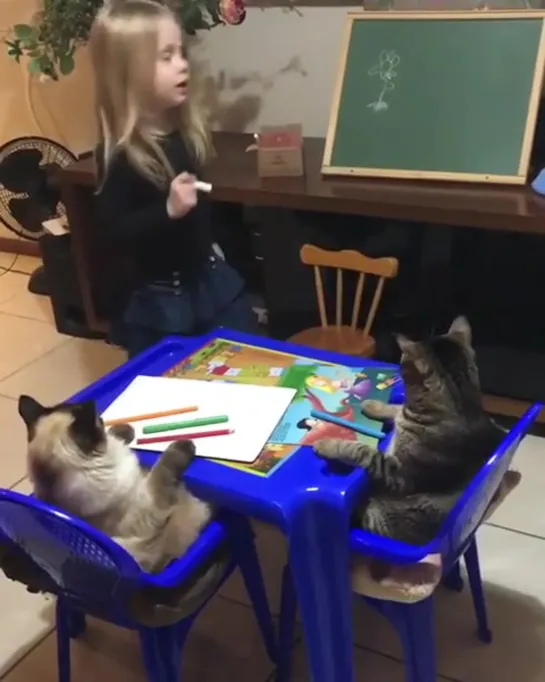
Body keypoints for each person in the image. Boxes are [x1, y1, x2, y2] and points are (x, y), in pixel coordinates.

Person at [89, 0, 259, 358]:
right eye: (165, 57)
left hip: (211, 280)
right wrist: (166, 211)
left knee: (248, 362)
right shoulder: (119, 154)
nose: (183, 64)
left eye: (180, 53)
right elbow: (111, 233)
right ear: (127, 73)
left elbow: (205, 217)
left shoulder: (187, 132)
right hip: (161, 302)